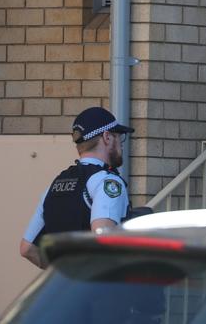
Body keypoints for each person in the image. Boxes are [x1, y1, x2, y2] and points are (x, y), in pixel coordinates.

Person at [20, 107, 135, 268]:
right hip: (99, 290)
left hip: (66, 291)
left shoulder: (55, 185)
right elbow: (103, 237)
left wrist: (63, 276)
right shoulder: (107, 182)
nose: (121, 145)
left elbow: (27, 249)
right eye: (118, 137)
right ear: (107, 137)